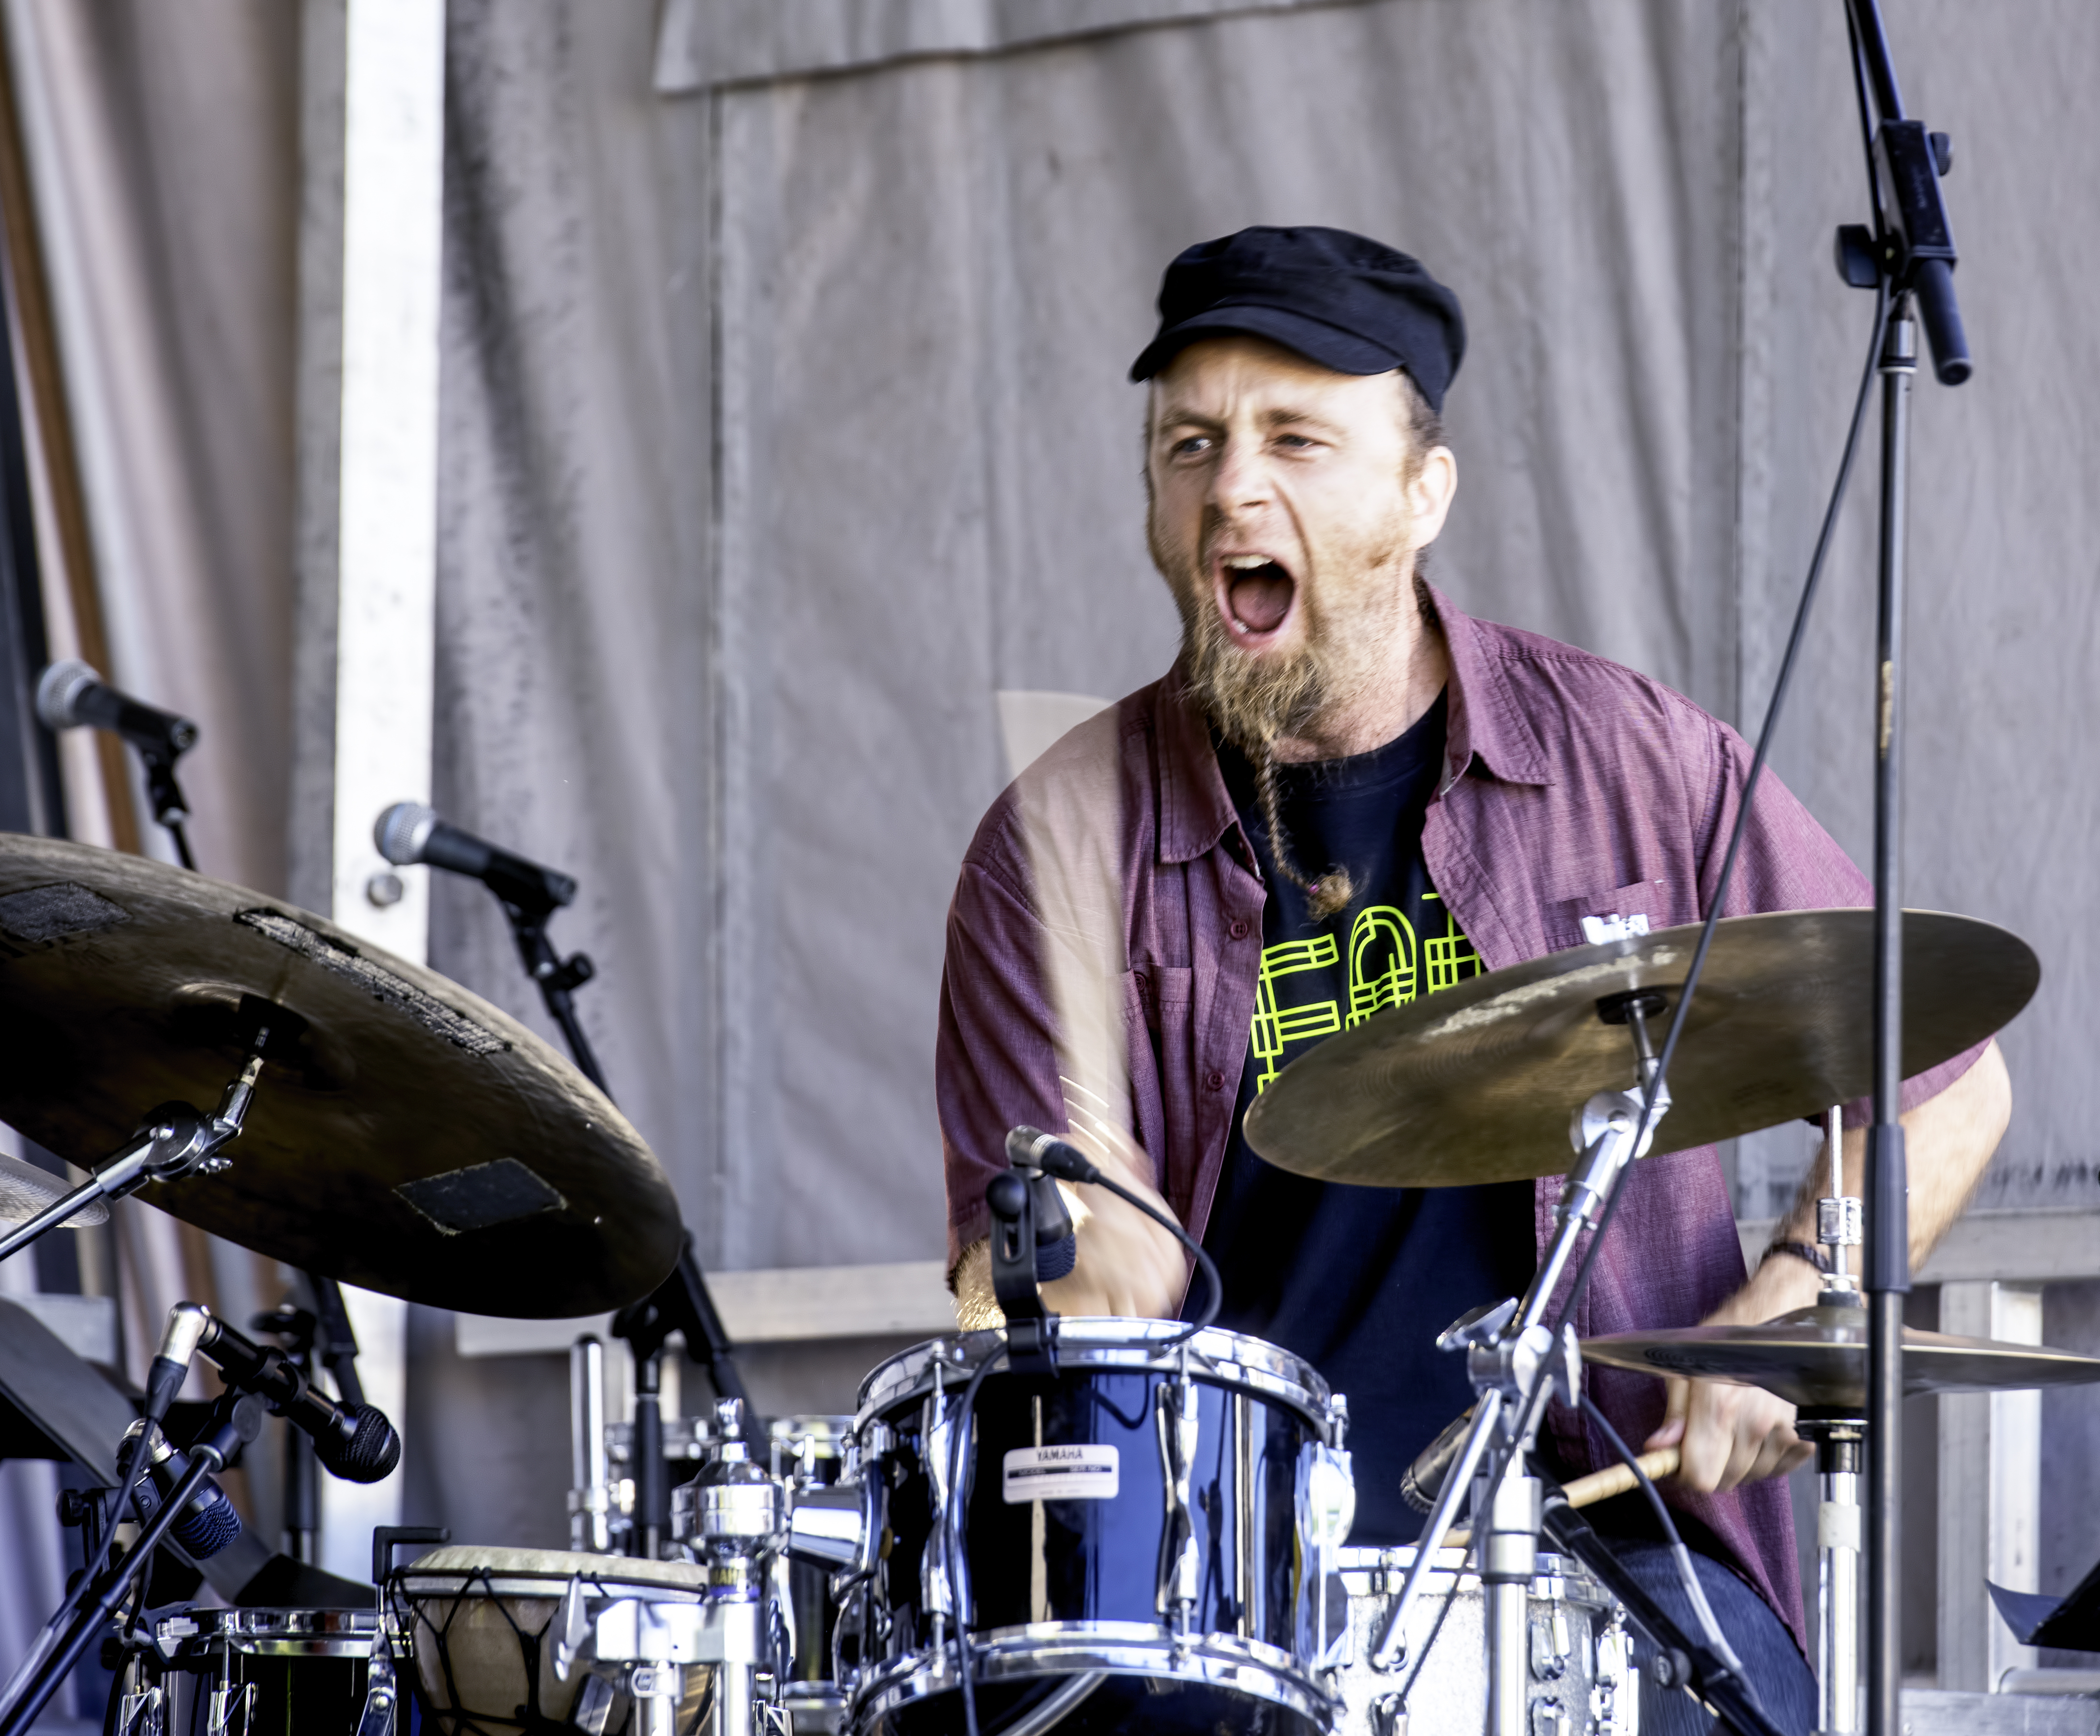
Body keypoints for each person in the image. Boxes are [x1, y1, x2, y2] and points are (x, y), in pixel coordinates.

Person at [935, 225, 2010, 1731]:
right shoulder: (1053, 844)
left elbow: (1942, 1084)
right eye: (1191, 442)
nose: (1234, 483)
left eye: (1297, 438)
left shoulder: (1633, 764)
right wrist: (1080, 1241)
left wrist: (1787, 1310)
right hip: (1233, 1590)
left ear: (1421, 493)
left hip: (1608, 1550)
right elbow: (1082, 1301)